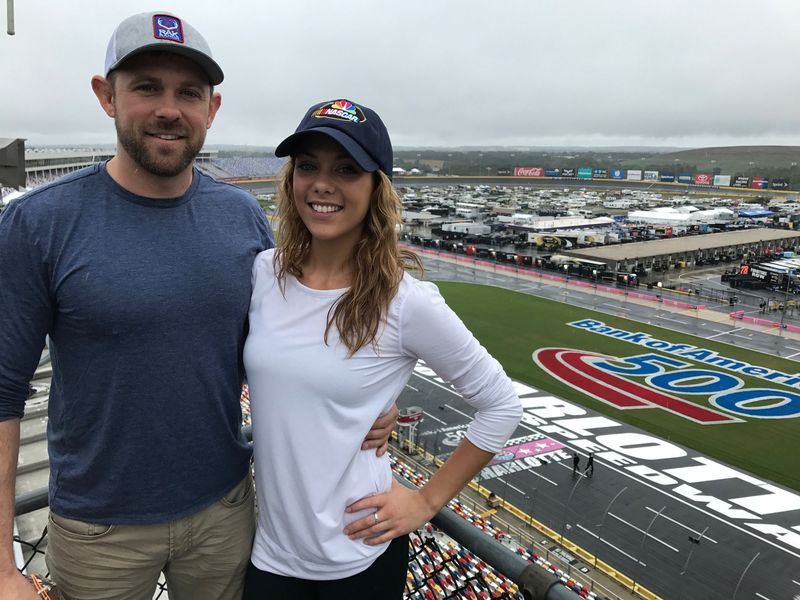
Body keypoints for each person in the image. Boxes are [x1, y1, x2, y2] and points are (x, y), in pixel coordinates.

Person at [0, 14, 395, 600]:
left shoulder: (239, 217)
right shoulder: (38, 222)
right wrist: (4, 569)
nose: (169, 108)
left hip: (225, 509)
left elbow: (302, 331)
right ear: (106, 96)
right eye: (146, 87)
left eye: (188, 92)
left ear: (212, 109)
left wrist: (372, 400)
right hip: (99, 527)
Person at [242, 99, 522, 599]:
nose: (322, 184)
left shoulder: (405, 302)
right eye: (308, 166)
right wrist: (370, 406)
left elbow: (501, 405)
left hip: (358, 559)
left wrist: (426, 501)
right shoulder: (265, 271)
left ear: (377, 188)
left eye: (347, 169)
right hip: (270, 556)